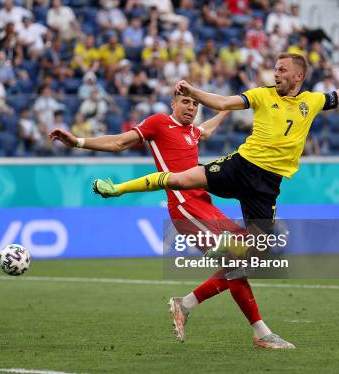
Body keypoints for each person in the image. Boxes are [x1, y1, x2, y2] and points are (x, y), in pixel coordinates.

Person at [50, 93, 294, 349]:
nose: (191, 107)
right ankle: (261, 333)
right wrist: (77, 141)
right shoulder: (158, 123)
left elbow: (207, 130)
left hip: (205, 206)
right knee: (236, 265)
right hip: (186, 209)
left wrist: (225, 109)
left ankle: (186, 304)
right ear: (173, 104)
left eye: (195, 104)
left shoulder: (191, 132)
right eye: (186, 102)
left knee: (250, 257)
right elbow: (120, 142)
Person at [94, 49, 339, 233]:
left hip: (269, 183)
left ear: (298, 76)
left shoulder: (312, 101)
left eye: (282, 70)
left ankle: (188, 300)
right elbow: (223, 103)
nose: (276, 74)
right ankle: (117, 189)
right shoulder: (262, 94)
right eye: (275, 69)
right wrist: (194, 92)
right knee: (180, 181)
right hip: (243, 166)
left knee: (259, 252)